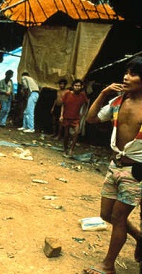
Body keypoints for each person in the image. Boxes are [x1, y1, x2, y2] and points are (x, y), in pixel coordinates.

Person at [83, 56, 142, 274]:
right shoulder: (118, 101)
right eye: (126, 72)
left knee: (118, 218)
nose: (126, 77)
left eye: (133, 73)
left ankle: (108, 265)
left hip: (136, 170)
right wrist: (103, 94)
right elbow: (91, 119)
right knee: (105, 215)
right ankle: (139, 237)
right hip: (115, 165)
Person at [60, 79, 89, 157]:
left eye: (79, 86)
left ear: (81, 87)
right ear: (73, 86)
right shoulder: (67, 93)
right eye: (76, 86)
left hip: (76, 118)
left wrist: (83, 113)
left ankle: (71, 150)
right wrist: (61, 115)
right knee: (66, 135)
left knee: (76, 133)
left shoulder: (83, 95)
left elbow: (86, 103)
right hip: (67, 117)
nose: (77, 87)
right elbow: (62, 104)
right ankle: (65, 149)